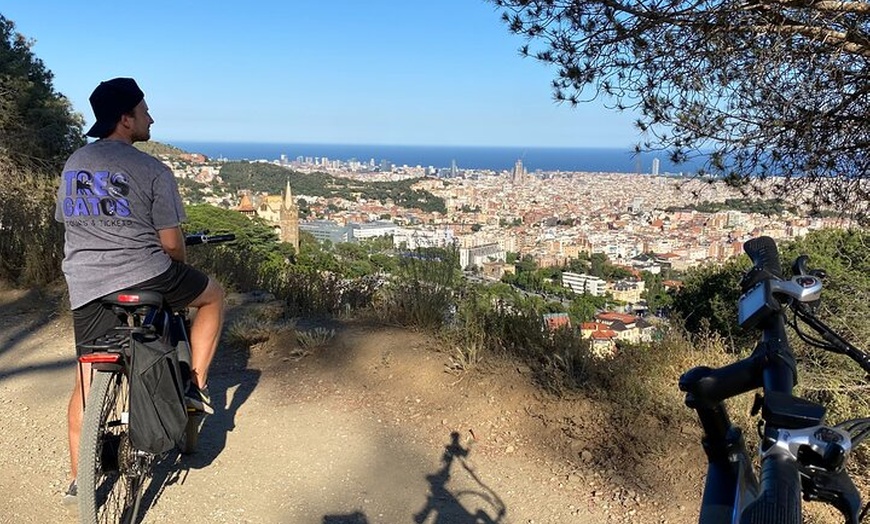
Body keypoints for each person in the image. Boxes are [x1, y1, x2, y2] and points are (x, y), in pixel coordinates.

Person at [55, 77, 225, 505]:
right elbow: (171, 245)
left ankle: (81, 480)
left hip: (87, 284)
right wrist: (177, 261)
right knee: (213, 296)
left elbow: (72, 221)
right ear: (126, 120)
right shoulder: (153, 170)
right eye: (145, 110)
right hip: (147, 276)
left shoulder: (76, 162)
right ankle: (193, 385)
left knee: (87, 379)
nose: (152, 117)